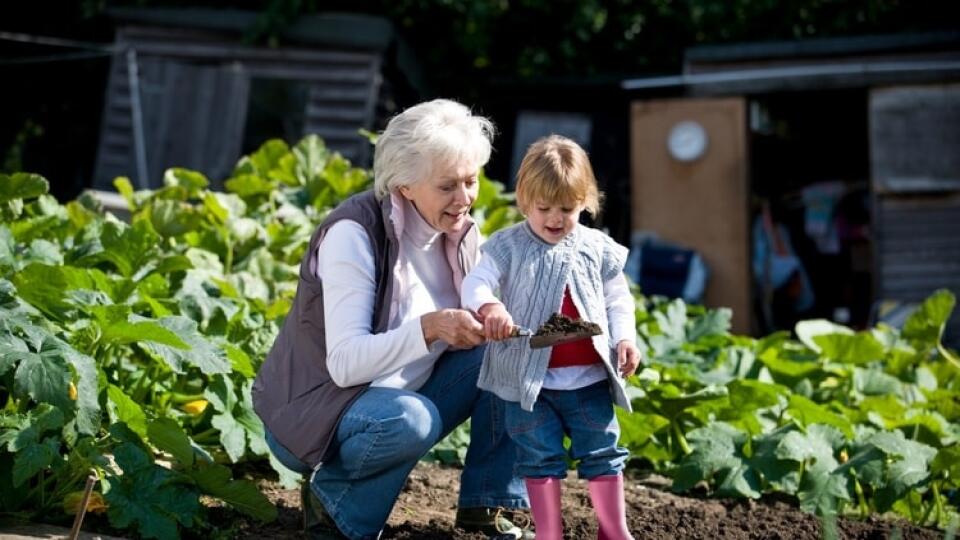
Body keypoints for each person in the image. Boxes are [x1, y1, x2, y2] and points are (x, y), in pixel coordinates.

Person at [253, 99, 531, 540]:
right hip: (317, 409)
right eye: (447, 187)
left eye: (471, 181)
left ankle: (487, 505)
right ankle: (335, 508)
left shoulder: (459, 233)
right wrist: (432, 328)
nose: (464, 200)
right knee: (409, 420)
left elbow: (480, 311)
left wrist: (493, 317)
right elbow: (344, 364)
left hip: (403, 394)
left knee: (510, 356)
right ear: (403, 187)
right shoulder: (354, 234)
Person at [461, 135, 641, 540]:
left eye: (568, 208)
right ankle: (548, 533)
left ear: (586, 202)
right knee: (538, 458)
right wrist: (490, 308)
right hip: (530, 385)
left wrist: (625, 339)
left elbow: (618, 301)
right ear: (525, 201)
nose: (555, 218)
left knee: (603, 454)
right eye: (544, 208)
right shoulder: (508, 246)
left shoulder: (596, 247)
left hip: (589, 381)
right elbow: (476, 284)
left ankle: (613, 529)